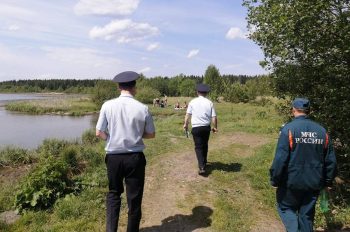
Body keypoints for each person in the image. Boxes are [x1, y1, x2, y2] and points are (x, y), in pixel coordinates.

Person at [96, 71, 156, 232]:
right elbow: (151, 134)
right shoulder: (143, 108)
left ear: (118, 87)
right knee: (134, 199)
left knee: (114, 194)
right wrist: (136, 135)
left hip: (113, 158)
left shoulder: (107, 105)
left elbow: (99, 132)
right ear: (134, 87)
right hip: (135, 158)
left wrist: (111, 139)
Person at [270, 98, 337, 232]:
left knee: (286, 208)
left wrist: (275, 179)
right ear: (309, 111)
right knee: (306, 215)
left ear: (293, 110)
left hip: (291, 183)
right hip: (314, 183)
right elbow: (331, 160)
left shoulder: (288, 130)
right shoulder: (322, 131)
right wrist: (328, 182)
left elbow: (280, 159)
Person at [183, 83, 218, 175]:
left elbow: (187, 115)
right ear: (206, 93)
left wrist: (185, 125)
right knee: (205, 144)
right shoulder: (209, 102)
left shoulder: (192, 102)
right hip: (206, 128)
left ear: (197, 92)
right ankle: (204, 162)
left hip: (196, 128)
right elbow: (214, 117)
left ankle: (202, 167)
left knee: (198, 147)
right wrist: (215, 127)